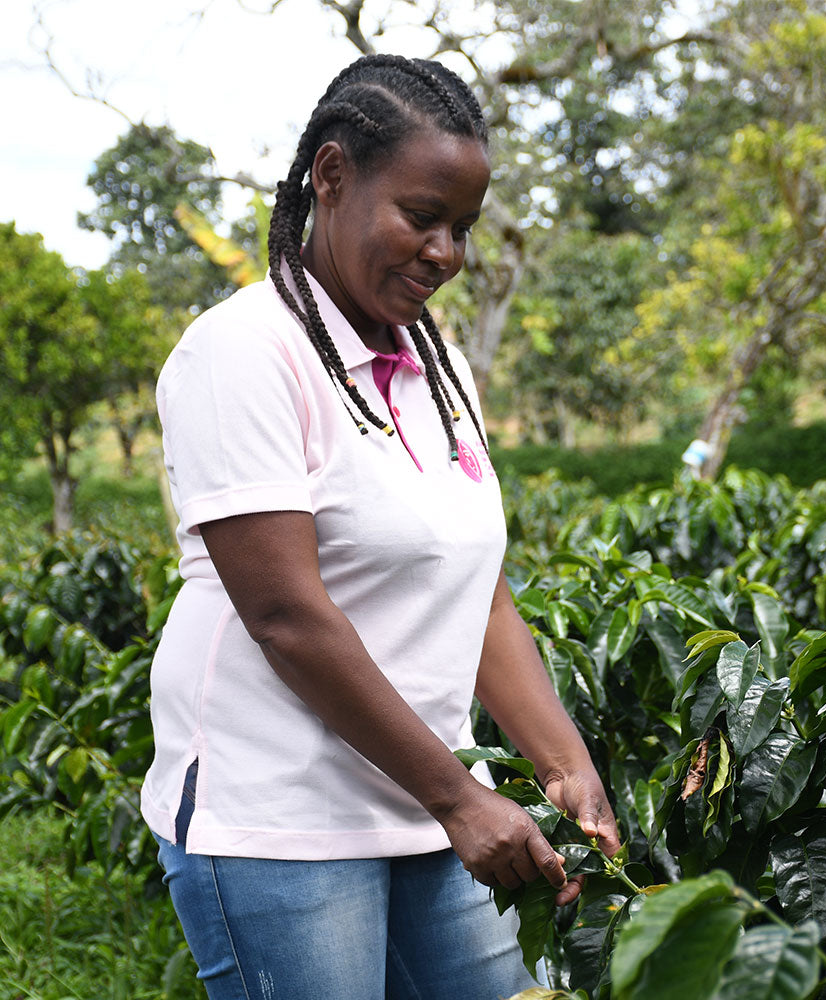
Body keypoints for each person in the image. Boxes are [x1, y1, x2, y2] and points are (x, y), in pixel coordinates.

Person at [140, 53, 619, 1000]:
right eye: (422, 216)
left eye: (463, 229)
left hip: (432, 810)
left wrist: (565, 765)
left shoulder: (438, 364)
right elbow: (287, 617)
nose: (445, 252)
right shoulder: (244, 352)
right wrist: (459, 798)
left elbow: (476, 592)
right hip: (280, 824)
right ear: (331, 176)